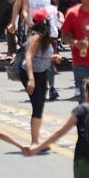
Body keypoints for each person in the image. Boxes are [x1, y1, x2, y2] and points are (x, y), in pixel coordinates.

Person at [23, 10, 59, 145]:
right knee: (37, 106)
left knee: (40, 105)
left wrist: (53, 57)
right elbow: (28, 57)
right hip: (31, 74)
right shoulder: (35, 37)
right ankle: (34, 142)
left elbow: (41, 55)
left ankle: (36, 140)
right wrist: (31, 79)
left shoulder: (45, 37)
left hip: (41, 72)